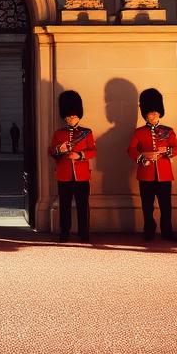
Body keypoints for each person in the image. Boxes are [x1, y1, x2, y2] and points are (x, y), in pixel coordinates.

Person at [126, 87, 177, 242]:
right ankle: (149, 230)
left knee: (166, 205)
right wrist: (143, 158)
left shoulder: (168, 131)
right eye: (151, 113)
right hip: (146, 174)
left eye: (156, 112)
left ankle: (167, 231)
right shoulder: (139, 132)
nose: (154, 115)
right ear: (146, 115)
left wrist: (167, 151)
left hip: (164, 174)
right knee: (147, 205)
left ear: (160, 113)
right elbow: (131, 149)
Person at [50, 89, 97, 243]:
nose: (71, 119)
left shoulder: (87, 132)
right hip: (64, 175)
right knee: (64, 206)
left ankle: (84, 232)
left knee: (83, 205)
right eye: (69, 117)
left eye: (74, 116)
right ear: (65, 117)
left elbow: (93, 151)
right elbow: (52, 151)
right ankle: (64, 232)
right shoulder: (59, 134)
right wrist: (60, 149)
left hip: (81, 175)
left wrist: (80, 155)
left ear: (79, 117)